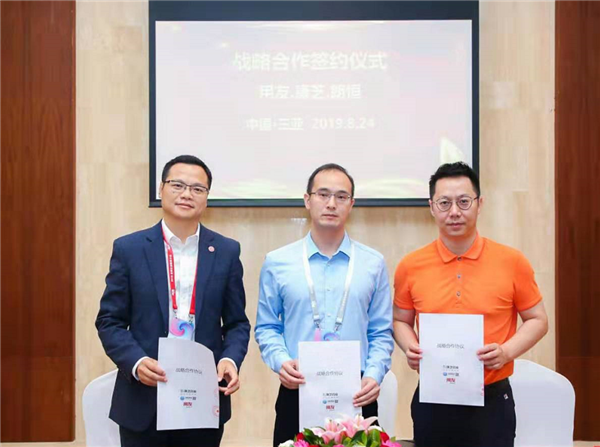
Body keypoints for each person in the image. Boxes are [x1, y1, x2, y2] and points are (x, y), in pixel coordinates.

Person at [96, 155, 250, 447]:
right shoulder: (130, 249)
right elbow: (109, 321)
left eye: (197, 188)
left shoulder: (226, 251)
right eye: (177, 185)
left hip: (203, 398)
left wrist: (229, 359)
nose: (186, 194)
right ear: (161, 189)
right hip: (144, 399)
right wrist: (137, 362)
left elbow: (237, 323)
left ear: (207, 197)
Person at [393, 162, 549, 447]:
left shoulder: (512, 261)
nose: (454, 211)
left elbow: (538, 319)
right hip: (433, 397)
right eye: (444, 203)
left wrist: (506, 352)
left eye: (464, 202)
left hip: (492, 399)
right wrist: (410, 347)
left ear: (480, 204)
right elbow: (400, 320)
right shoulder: (410, 265)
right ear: (431, 207)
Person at [255, 163, 394, 447]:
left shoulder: (373, 263)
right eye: (323, 194)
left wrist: (373, 374)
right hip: (298, 389)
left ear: (351, 204)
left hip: (358, 393)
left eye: (341, 196)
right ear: (307, 200)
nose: (331, 203)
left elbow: (381, 331)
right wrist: (281, 361)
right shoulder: (277, 262)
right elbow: (267, 326)